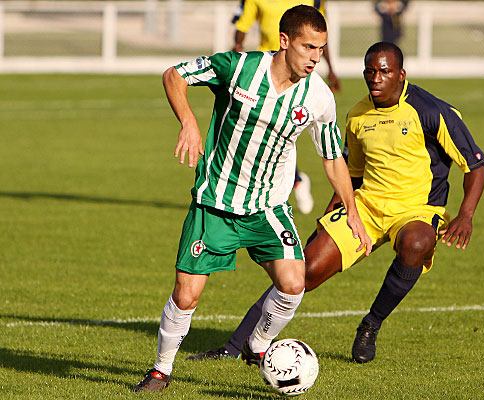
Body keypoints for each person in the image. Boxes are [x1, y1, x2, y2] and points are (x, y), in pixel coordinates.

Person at [186, 41, 484, 365]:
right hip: (366, 208)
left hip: (416, 211)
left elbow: (475, 165)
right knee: (303, 272)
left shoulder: (432, 111)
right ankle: (236, 346)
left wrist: (466, 215)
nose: (376, 78)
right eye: (370, 71)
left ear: (401, 74)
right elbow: (351, 171)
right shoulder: (358, 114)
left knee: (416, 242)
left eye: (384, 71)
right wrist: (333, 210)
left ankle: (371, 324)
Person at [132, 6, 371, 392]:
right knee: (186, 294)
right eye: (308, 47)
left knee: (294, 282)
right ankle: (161, 370)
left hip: (268, 207)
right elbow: (174, 75)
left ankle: (257, 346)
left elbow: (332, 159)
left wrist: (353, 211)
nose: (315, 57)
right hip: (216, 203)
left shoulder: (320, 97)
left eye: (321, 49)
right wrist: (189, 123)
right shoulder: (239, 68)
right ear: (284, 41)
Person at [232, 0, 342, 215]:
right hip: (267, 72)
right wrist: (237, 50)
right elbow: (242, 26)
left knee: (280, 135)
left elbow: (318, 37)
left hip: (297, 73)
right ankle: (293, 182)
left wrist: (330, 69)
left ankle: (292, 183)